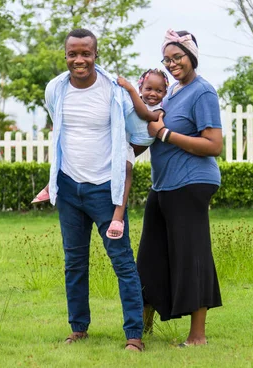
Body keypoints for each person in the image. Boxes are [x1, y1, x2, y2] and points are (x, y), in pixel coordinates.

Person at [43, 28, 152, 351]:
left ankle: (134, 335)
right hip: (68, 187)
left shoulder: (114, 92)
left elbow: (141, 133)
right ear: (65, 56)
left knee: (122, 262)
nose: (79, 60)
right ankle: (79, 327)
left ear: (95, 54)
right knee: (74, 262)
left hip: (106, 189)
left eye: (85, 53)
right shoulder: (55, 89)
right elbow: (60, 130)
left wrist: (122, 160)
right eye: (73, 54)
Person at [137, 29, 223, 347]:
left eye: (178, 57)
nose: (173, 63)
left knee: (192, 256)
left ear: (192, 56)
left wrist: (165, 135)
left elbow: (213, 144)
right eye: (167, 58)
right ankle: (140, 328)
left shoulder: (203, 92)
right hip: (163, 186)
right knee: (149, 257)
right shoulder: (171, 92)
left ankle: (197, 336)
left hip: (192, 183)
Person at [32, 68, 169, 240]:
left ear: (165, 92)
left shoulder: (158, 109)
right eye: (148, 89)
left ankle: (118, 216)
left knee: (125, 169)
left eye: (159, 90)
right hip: (121, 140)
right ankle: (50, 186)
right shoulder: (128, 99)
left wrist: (131, 89)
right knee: (77, 153)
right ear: (142, 88)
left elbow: (144, 114)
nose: (153, 94)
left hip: (134, 142)